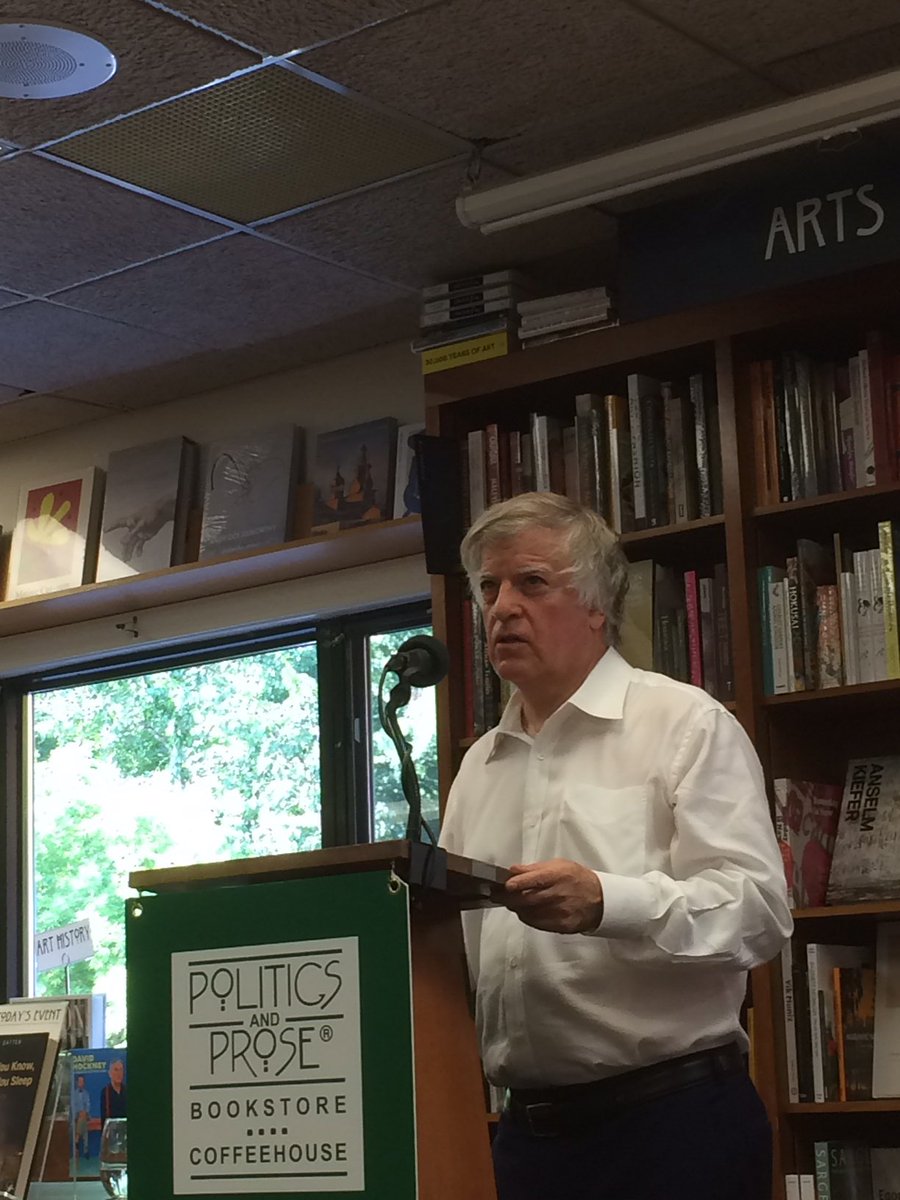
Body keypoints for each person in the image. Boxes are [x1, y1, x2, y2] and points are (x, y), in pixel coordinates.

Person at [439, 491, 793, 1200]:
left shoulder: (683, 723)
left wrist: (609, 901)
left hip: (674, 1128)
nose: (502, 607)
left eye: (531, 582)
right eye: (489, 587)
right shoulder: (480, 764)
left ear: (598, 605)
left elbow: (758, 912)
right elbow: (454, 945)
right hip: (524, 1138)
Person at [101, 1059, 127, 1124]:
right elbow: (104, 1119)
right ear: (110, 1073)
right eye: (116, 1070)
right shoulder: (105, 1092)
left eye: (121, 1070)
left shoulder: (127, 1091)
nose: (119, 1073)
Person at [72, 1075, 91, 1159]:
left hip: (84, 1115)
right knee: (85, 1129)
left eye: (82, 1081)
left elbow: (88, 1104)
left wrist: (85, 1112)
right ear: (77, 1082)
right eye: (79, 1081)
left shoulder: (86, 1093)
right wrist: (78, 1113)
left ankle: (77, 1138)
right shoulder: (74, 1094)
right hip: (76, 1116)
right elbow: (73, 1106)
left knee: (82, 1119)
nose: (81, 1083)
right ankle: (86, 1150)